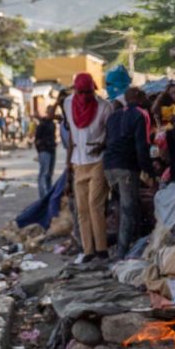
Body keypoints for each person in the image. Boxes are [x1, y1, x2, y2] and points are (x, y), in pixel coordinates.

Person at [63, 72, 110, 263]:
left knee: (94, 205)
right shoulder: (67, 104)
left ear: (93, 90)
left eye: (88, 92)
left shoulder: (104, 107)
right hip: (78, 161)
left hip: (98, 160)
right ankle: (88, 250)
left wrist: (103, 144)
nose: (84, 97)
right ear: (75, 91)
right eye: (80, 92)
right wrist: (68, 165)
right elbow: (72, 137)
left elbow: (110, 133)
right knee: (81, 209)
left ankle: (102, 249)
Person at [104, 87, 153, 257]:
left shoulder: (114, 116)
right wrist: (150, 172)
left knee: (124, 207)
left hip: (109, 166)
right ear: (139, 97)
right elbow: (142, 147)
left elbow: (108, 140)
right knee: (127, 210)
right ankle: (122, 253)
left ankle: (131, 243)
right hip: (126, 167)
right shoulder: (141, 114)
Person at [34, 103, 58, 201]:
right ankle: (43, 196)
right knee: (44, 173)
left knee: (49, 174)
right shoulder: (42, 124)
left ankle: (48, 194)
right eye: (51, 112)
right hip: (45, 151)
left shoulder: (52, 124)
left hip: (51, 150)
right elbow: (37, 139)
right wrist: (40, 151)